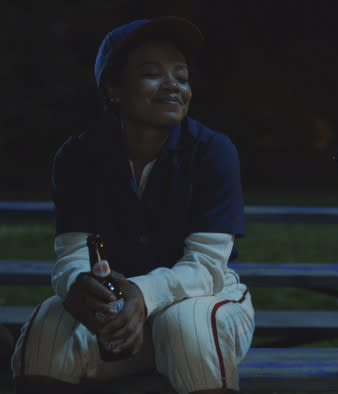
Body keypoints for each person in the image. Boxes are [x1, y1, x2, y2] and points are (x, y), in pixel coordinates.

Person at [11, 17, 254, 394]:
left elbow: (206, 268)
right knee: (47, 327)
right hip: (117, 317)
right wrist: (78, 285)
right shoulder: (78, 156)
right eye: (152, 73)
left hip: (203, 300)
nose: (174, 84)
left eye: (182, 75)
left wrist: (141, 293)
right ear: (114, 88)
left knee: (185, 324)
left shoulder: (212, 151)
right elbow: (73, 255)